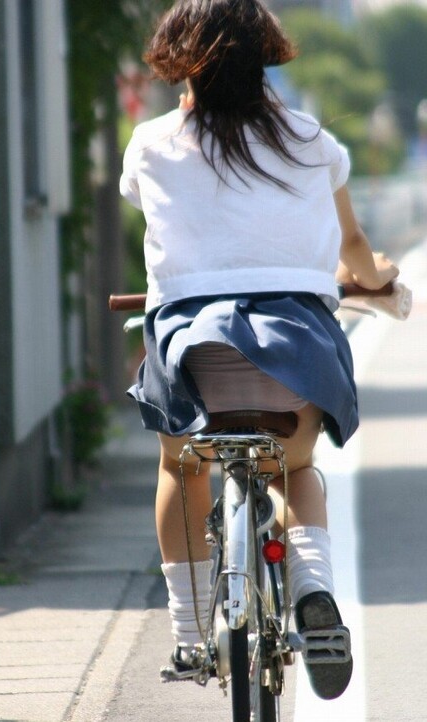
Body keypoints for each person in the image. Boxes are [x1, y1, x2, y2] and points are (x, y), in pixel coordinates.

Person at [119, 0, 399, 701]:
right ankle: (312, 589)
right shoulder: (311, 140)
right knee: (296, 469)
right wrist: (375, 278)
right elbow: (352, 247)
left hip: (194, 367)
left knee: (181, 467)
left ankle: (190, 631)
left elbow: (174, 225)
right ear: (264, 59)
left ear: (182, 63)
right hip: (293, 359)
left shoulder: (152, 144)